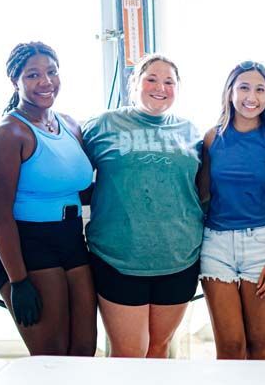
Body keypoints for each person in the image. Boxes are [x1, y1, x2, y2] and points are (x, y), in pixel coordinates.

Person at [82, 54, 203, 358]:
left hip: (178, 256)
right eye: (151, 78)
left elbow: (203, 189)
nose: (159, 87)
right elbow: (74, 179)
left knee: (159, 349)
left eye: (168, 81)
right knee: (129, 354)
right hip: (118, 256)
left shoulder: (191, 132)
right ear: (133, 83)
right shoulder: (102, 126)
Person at [0, 41, 97, 356]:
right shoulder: (9, 134)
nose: (45, 82)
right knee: (52, 358)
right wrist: (18, 280)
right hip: (26, 242)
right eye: (33, 75)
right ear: (15, 81)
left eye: (51, 72)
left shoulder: (70, 125)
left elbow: (83, 188)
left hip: (71, 238)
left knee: (85, 350)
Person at [197, 61, 265, 360]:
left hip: (261, 246)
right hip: (216, 246)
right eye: (243, 87)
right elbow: (202, 196)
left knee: (259, 344)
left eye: (259, 89)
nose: (250, 96)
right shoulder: (212, 138)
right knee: (230, 347)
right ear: (230, 92)